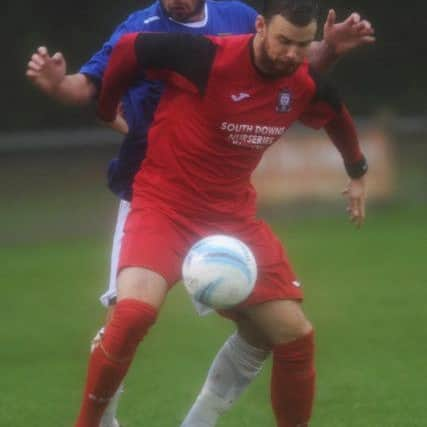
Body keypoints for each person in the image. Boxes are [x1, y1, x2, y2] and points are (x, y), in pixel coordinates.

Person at [26, 1, 374, 426]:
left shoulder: (300, 82)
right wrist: (106, 109)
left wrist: (357, 171)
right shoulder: (206, 55)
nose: (291, 54)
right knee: (132, 313)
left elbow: (337, 117)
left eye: (302, 45)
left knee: (295, 336)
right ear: (260, 28)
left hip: (233, 219)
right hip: (163, 206)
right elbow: (131, 51)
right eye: (284, 41)